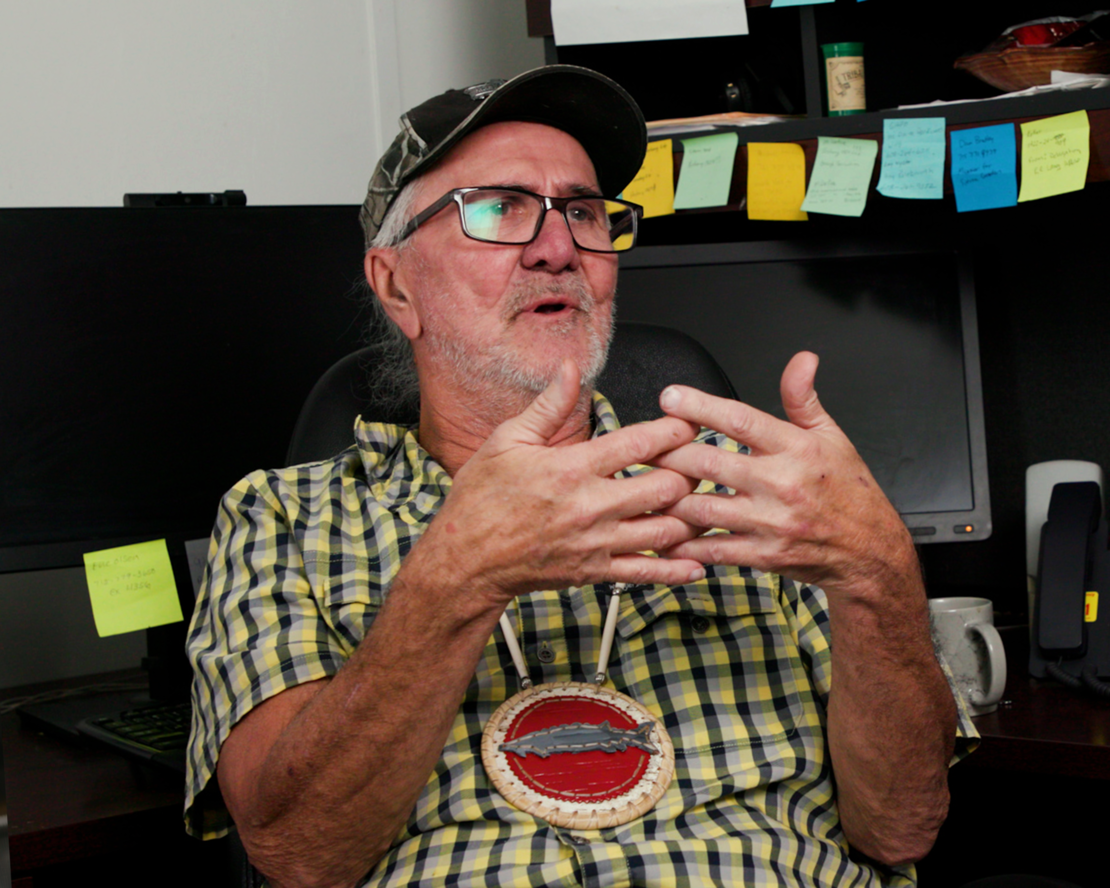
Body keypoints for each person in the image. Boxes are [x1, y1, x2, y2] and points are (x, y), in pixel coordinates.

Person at [185, 65, 974, 888]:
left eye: (585, 212)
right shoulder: (283, 518)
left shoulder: (750, 490)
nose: (559, 248)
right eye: (498, 209)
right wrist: (456, 579)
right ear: (397, 286)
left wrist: (877, 570)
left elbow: (900, 829)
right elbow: (297, 854)